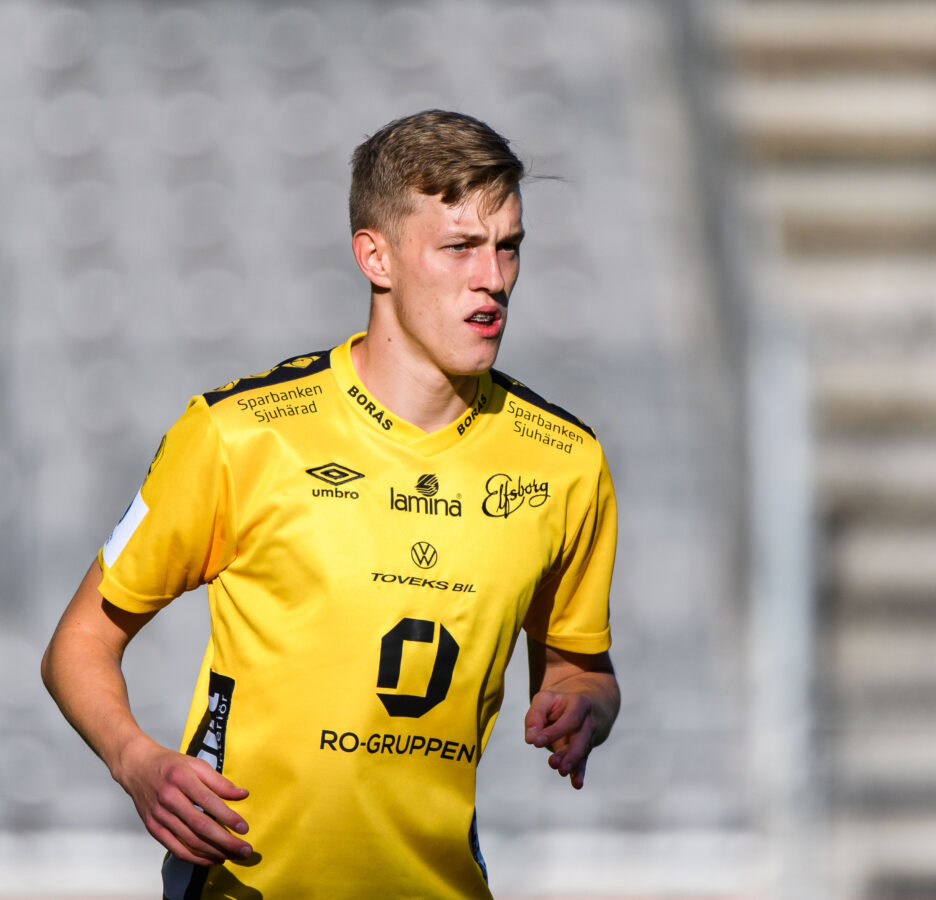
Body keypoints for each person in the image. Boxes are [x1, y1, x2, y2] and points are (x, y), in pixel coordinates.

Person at [41, 109, 620, 899]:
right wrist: (136, 761)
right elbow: (78, 644)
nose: (493, 278)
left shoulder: (564, 460)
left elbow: (579, 668)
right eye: (459, 248)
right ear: (375, 257)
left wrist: (581, 707)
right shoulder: (240, 435)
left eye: (508, 246)